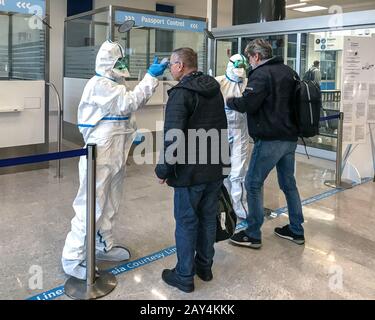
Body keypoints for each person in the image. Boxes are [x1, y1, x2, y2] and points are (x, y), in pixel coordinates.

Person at [62, 40, 168, 280]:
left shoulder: (115, 84)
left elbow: (123, 115)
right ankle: (72, 257)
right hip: (100, 153)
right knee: (91, 205)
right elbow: (127, 103)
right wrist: (151, 77)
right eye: (119, 61)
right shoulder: (99, 84)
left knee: (111, 202)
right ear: (107, 63)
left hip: (116, 152)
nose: (124, 64)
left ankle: (103, 245)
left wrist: (133, 133)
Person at [155, 48, 228, 293]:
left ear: (180, 65)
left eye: (171, 65)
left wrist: (163, 169)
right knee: (208, 218)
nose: (170, 69)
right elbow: (222, 128)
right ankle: (204, 267)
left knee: (186, 222)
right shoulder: (214, 88)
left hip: (190, 173)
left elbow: (173, 137)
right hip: (214, 168)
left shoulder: (181, 94)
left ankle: (184, 275)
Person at [226, 39, 305, 249]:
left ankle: (252, 234)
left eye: (250, 59)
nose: (249, 64)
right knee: (289, 185)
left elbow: (248, 104)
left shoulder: (261, 74)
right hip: (290, 139)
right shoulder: (289, 71)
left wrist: (229, 100)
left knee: (252, 183)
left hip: (270, 139)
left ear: (257, 56)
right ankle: (296, 230)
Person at [216, 54, 251, 219]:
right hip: (221, 131)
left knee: (238, 172)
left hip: (240, 133)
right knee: (223, 172)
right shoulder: (218, 83)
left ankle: (242, 210)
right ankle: (228, 203)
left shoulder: (247, 83)